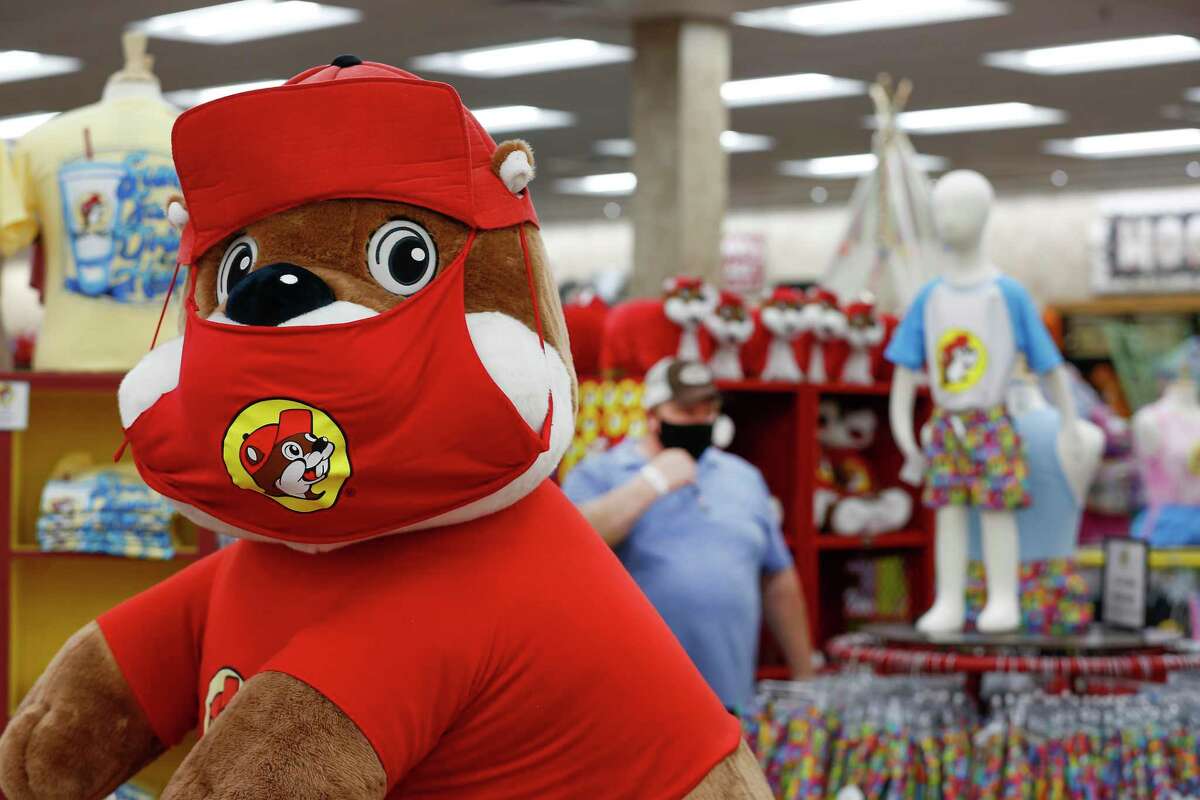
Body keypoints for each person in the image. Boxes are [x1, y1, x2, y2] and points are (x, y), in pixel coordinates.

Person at [563, 357, 815, 710]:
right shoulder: (599, 473)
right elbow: (573, 547)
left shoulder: (742, 477)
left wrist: (805, 677)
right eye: (686, 412)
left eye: (707, 411)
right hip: (630, 704)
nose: (700, 422)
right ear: (652, 415)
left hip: (729, 700)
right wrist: (651, 483)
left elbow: (777, 577)